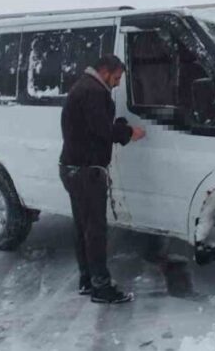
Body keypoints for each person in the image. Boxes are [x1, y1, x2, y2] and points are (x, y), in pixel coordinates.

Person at [59, 54, 146, 304]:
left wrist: (117, 123)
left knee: (83, 227)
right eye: (117, 78)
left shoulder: (84, 87)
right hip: (86, 171)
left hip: (74, 168)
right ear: (106, 71)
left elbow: (93, 126)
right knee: (95, 230)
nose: (117, 83)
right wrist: (129, 132)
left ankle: (87, 280)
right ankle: (101, 287)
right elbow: (103, 130)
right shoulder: (93, 91)